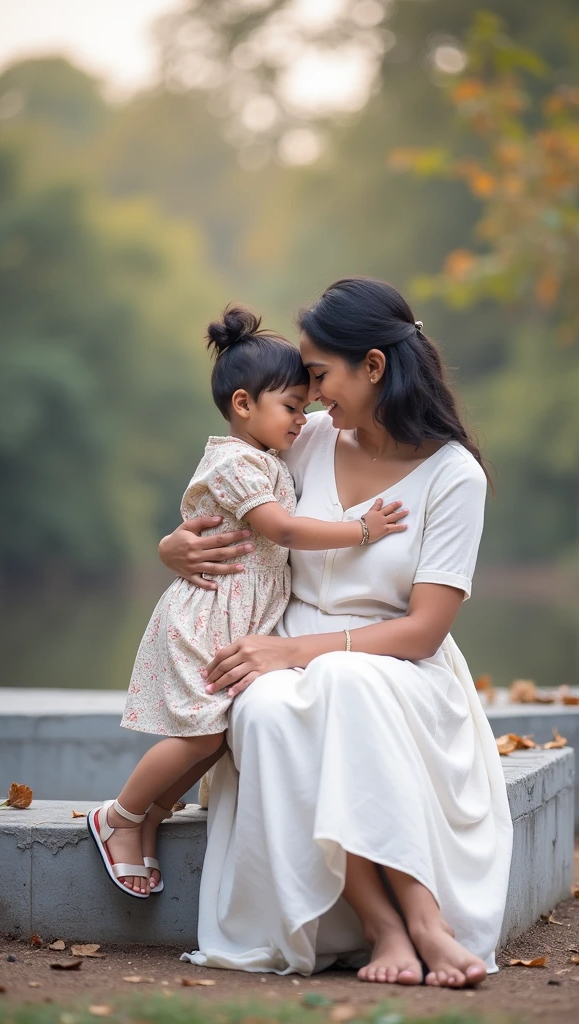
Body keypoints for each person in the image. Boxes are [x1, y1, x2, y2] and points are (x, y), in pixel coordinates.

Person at [160, 278, 513, 987]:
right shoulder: (304, 440)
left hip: (398, 669)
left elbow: (422, 632)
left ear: (374, 366)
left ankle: (425, 922)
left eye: (320, 375)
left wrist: (292, 651)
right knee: (260, 706)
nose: (311, 395)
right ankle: (382, 927)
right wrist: (172, 548)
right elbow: (229, 502)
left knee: (339, 681)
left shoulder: (453, 477)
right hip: (288, 659)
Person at [87, 304, 407, 899]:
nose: (302, 419)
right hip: (209, 613)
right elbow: (282, 531)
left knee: (225, 731)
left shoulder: (270, 454)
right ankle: (121, 816)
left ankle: (152, 816)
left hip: (242, 616)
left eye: (307, 406)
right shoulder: (236, 462)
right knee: (205, 734)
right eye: (292, 407)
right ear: (243, 405)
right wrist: (363, 530)